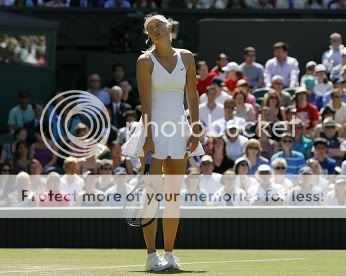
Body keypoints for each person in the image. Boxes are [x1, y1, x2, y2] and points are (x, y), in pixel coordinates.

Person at [121, 13, 204, 271]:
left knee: (172, 197)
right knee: (151, 197)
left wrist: (196, 128)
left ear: (169, 27)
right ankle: (151, 256)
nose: (156, 30)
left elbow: (192, 93)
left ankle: (169, 254)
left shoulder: (187, 57)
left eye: (159, 25)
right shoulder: (144, 61)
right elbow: (145, 101)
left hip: (179, 130)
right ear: (148, 35)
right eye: (150, 28)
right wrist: (147, 136)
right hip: (154, 130)